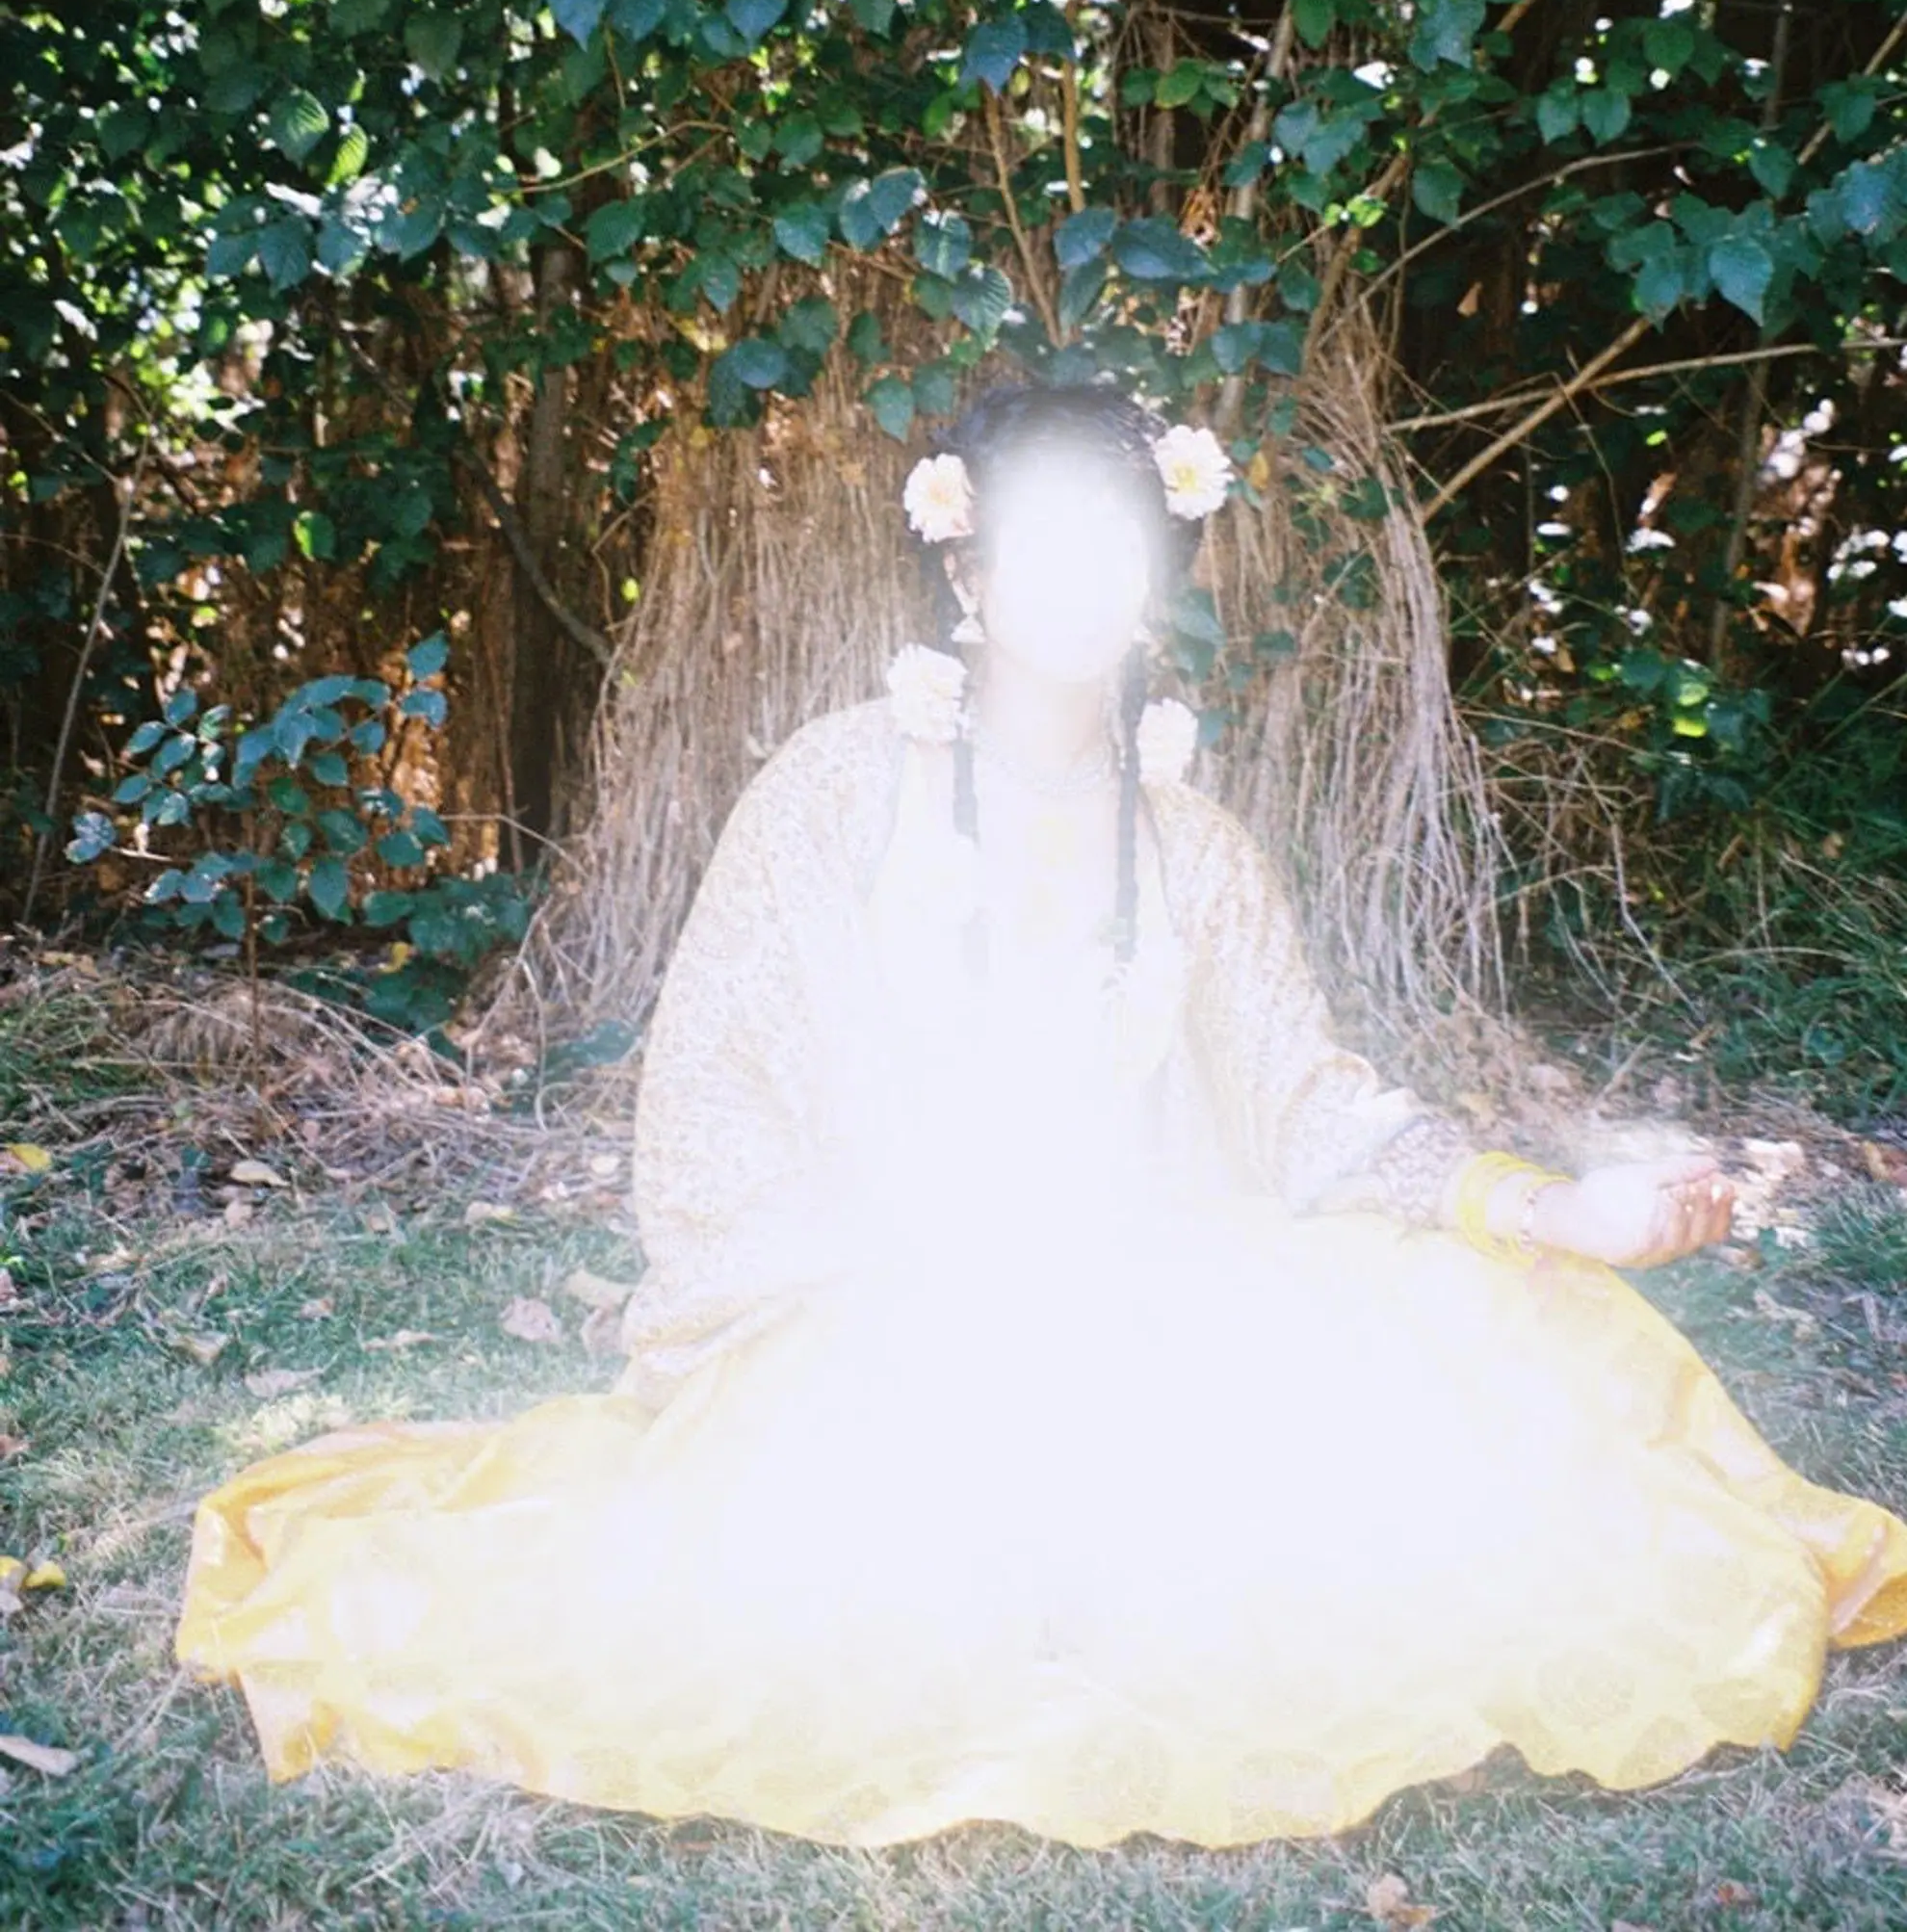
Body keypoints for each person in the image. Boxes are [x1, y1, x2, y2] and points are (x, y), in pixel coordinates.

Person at [174, 378, 1907, 1850]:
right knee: (935, 1553)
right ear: (968, 561)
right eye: (1044, 540)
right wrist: (905, 1270)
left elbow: (1314, 1111)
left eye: (1120, 541)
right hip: (873, 1311)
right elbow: (709, 1115)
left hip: (1153, 1295)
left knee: (1459, 1411)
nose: (1083, 580)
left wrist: (1558, 1211)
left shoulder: (1197, 847)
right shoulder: (835, 797)